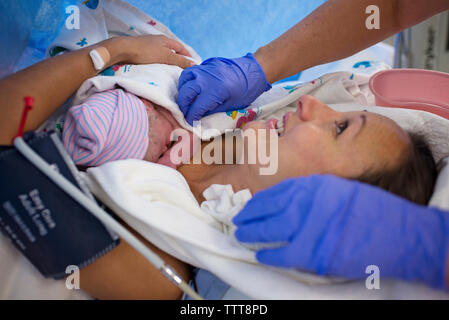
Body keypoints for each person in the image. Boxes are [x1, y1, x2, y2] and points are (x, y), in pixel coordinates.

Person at [177, 0, 449, 289]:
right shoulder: (190, 93)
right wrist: (262, 65)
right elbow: (395, 6)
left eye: (340, 128)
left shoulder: (166, 253)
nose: (310, 102)